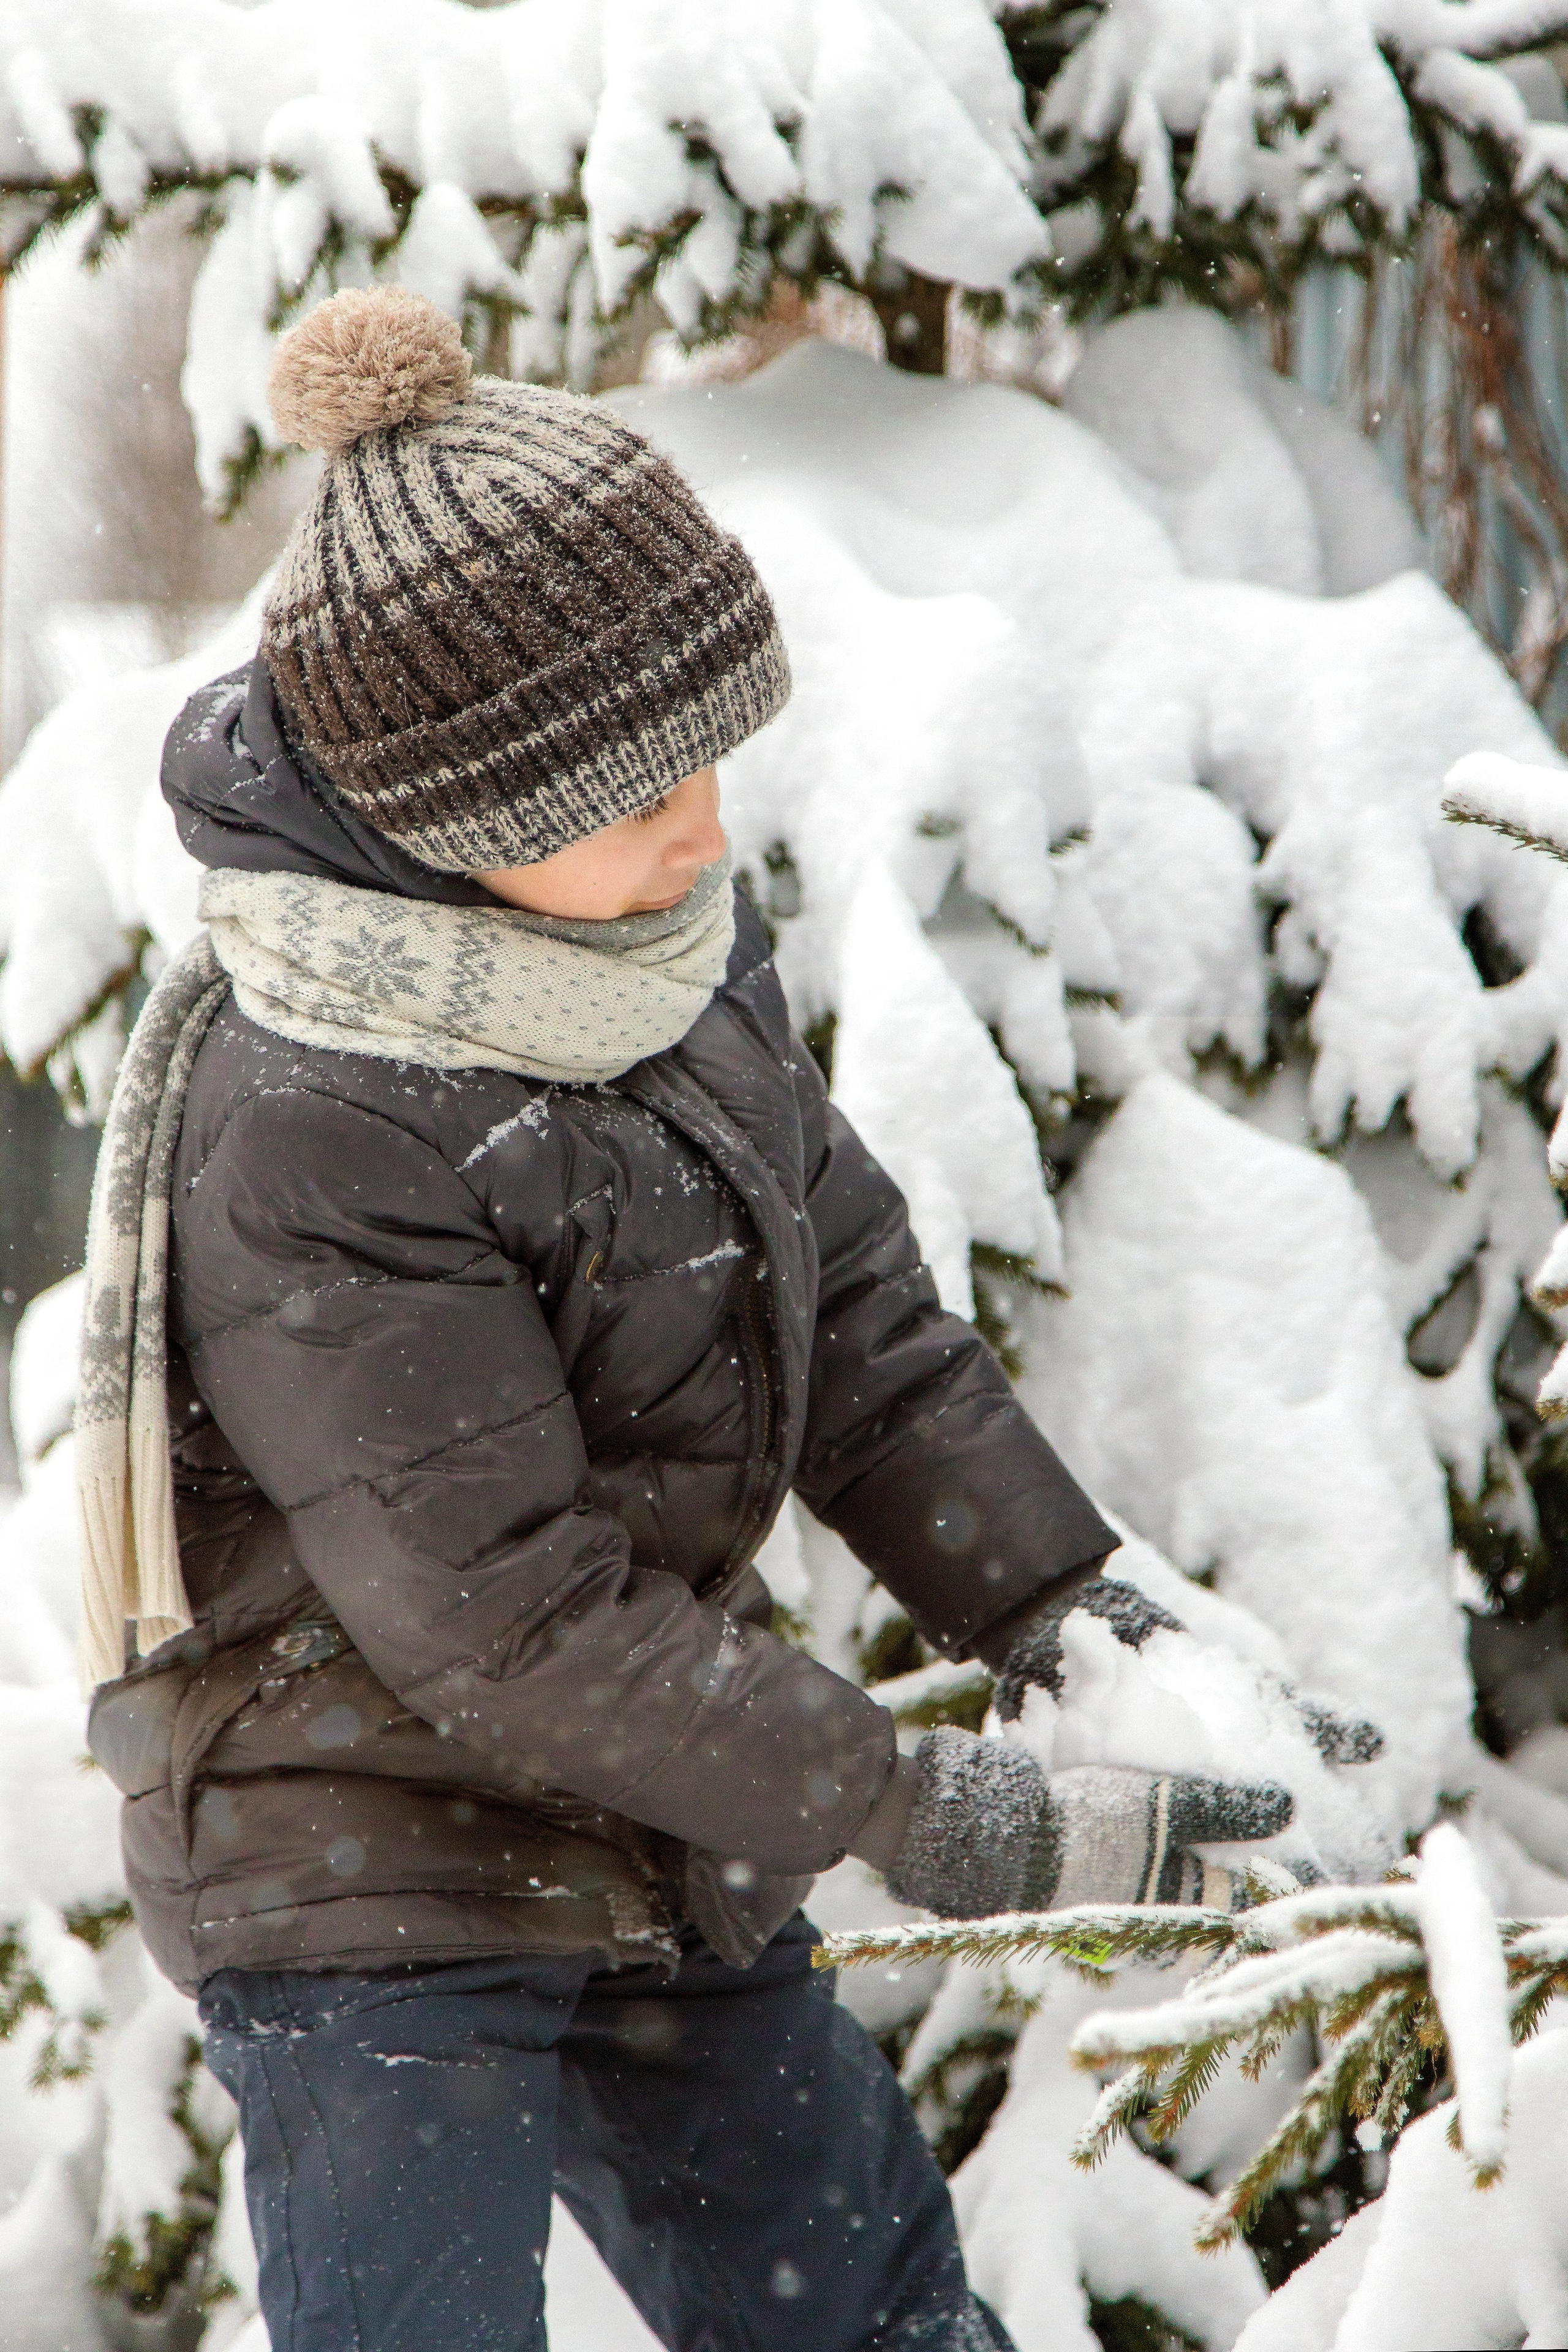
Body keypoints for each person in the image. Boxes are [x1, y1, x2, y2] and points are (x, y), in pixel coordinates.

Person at [78, 288, 1305, 2352]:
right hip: (357, 1871)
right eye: (631, 788)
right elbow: (505, 1616)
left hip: (649, 1794)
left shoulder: (657, 957)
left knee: (871, 2318)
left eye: (713, 754)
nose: (703, 828)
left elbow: (871, 1334)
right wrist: (925, 1812)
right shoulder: (304, 1113)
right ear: (444, 820)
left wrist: (1076, 1617)